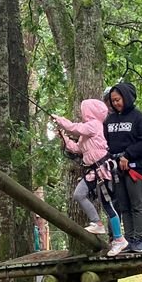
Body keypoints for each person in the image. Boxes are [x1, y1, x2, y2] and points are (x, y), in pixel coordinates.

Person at [53, 99, 128, 257]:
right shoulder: (86, 132)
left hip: (102, 170)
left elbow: (74, 128)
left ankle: (119, 239)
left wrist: (61, 120)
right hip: (93, 172)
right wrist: (64, 136)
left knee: (108, 205)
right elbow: (77, 148)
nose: (82, 113)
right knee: (79, 195)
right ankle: (97, 222)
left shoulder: (94, 125)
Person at [103, 82, 142, 253]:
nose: (116, 103)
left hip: (135, 168)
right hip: (116, 169)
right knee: (123, 205)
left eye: (118, 100)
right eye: (113, 100)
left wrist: (128, 155)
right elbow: (105, 142)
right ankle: (130, 239)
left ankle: (139, 239)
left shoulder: (139, 118)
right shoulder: (109, 120)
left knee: (137, 204)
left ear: (126, 97)